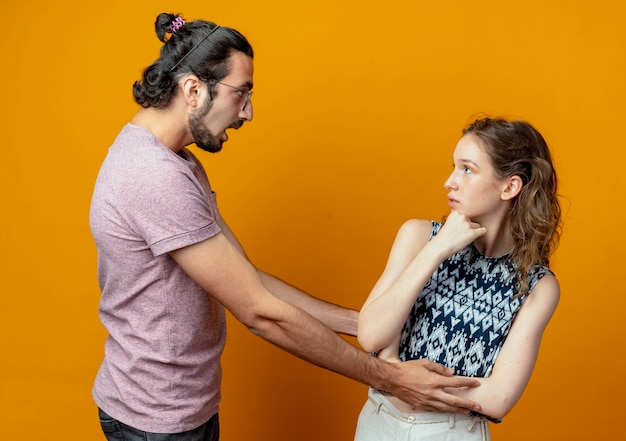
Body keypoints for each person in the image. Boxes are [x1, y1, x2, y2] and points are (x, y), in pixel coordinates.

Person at [89, 12, 482, 441]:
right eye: (241, 94)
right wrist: (392, 378)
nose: (248, 112)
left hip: (178, 409)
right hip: (155, 422)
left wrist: (364, 323)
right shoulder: (154, 177)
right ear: (193, 89)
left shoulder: (177, 162)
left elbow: (245, 277)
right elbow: (259, 312)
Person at [354, 116, 562, 440]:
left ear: (510, 186)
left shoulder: (536, 285)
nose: (449, 181)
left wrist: (406, 380)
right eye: (454, 167)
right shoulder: (418, 236)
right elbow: (371, 334)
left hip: (453, 433)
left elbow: (498, 398)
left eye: (467, 169)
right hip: (379, 422)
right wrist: (437, 249)